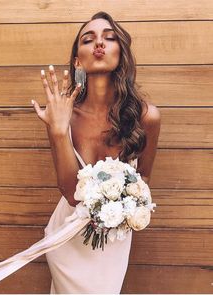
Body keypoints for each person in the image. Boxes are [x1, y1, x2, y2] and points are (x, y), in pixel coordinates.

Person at [31, 11, 161, 294]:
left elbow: (144, 178)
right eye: (88, 40)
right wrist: (57, 129)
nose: (99, 44)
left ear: (120, 53)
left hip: (113, 238)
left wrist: (122, 209)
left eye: (109, 38)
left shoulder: (146, 117)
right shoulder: (65, 115)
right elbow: (68, 190)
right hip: (68, 236)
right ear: (78, 60)